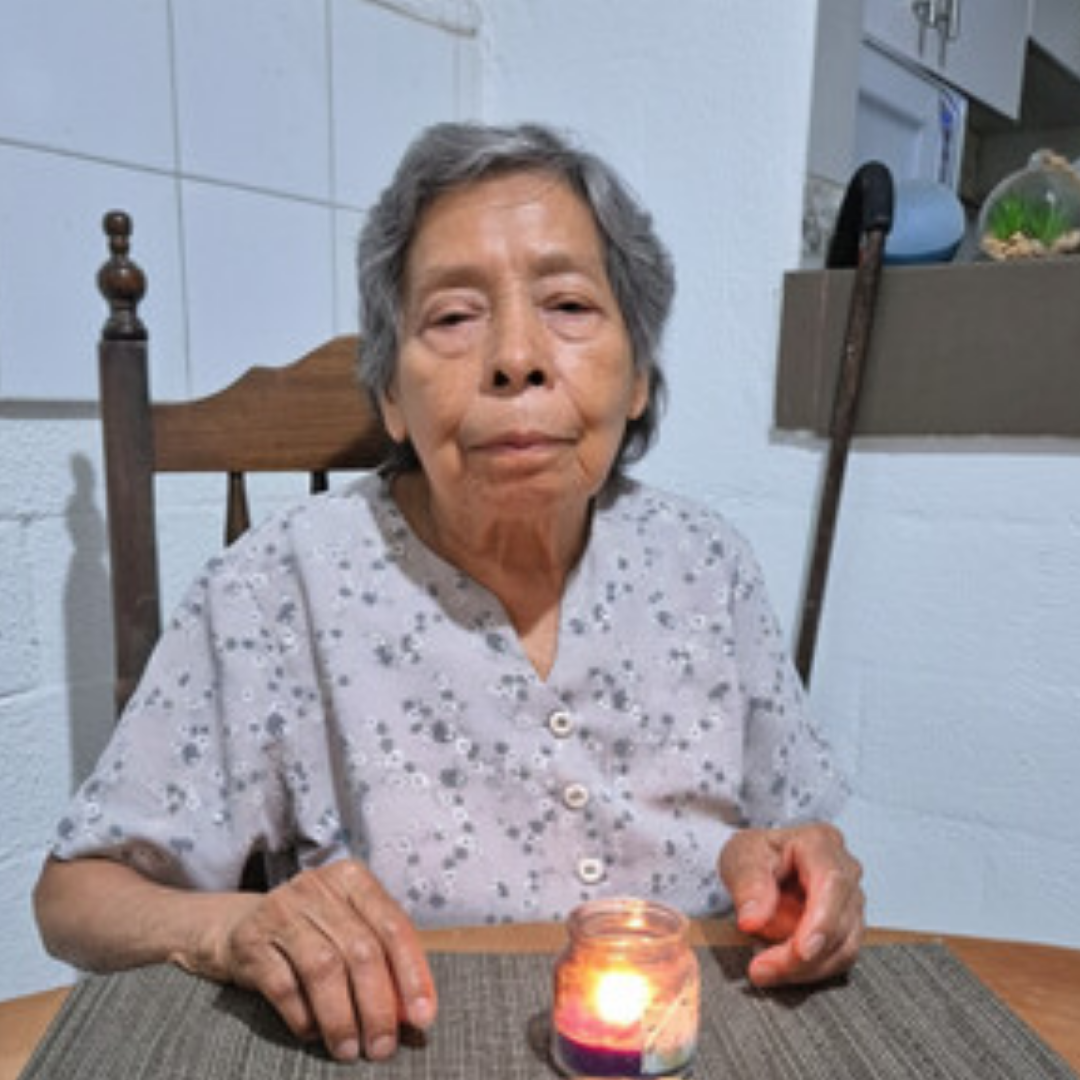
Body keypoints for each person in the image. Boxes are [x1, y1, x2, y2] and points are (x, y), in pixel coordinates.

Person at [34, 121, 864, 1064]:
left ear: (638, 375)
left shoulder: (707, 566)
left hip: (700, 1046)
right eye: (454, 317)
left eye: (569, 305)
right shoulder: (275, 591)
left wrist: (796, 869)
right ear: (392, 395)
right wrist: (231, 928)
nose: (516, 357)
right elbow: (75, 898)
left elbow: (793, 827)